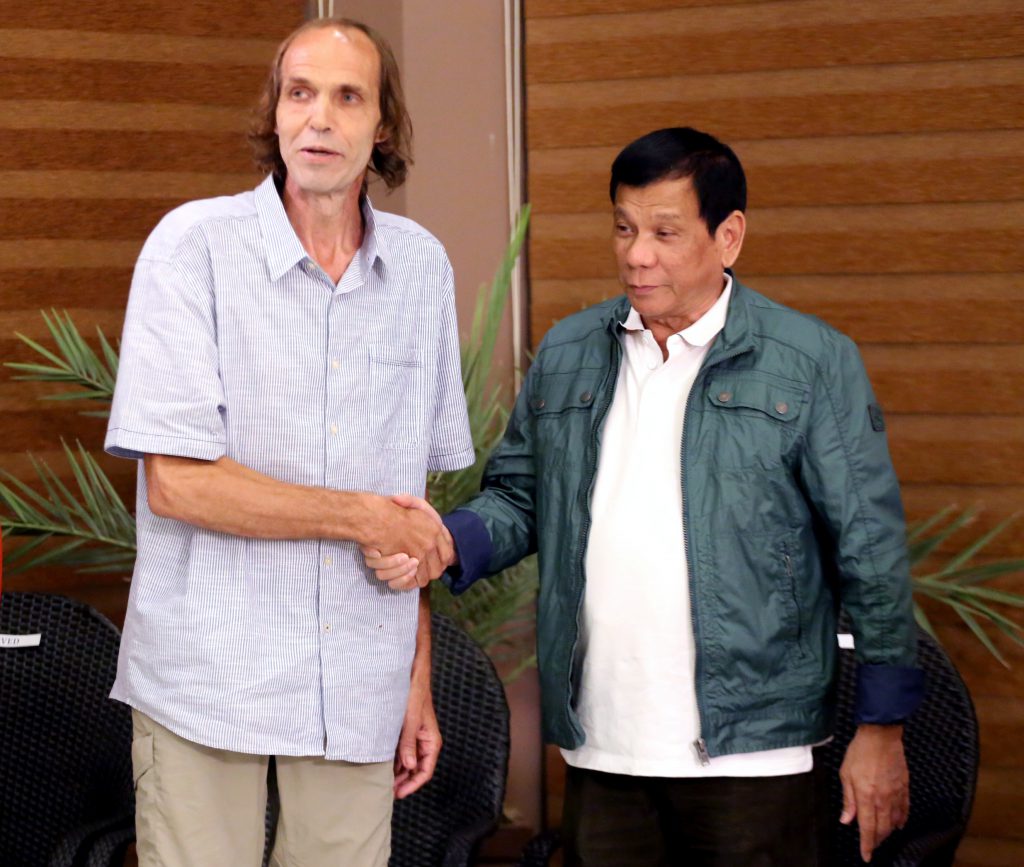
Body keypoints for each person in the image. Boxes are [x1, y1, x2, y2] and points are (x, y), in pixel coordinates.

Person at [364, 127, 925, 866]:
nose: (636, 254)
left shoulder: (809, 363)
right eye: (624, 228)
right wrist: (444, 540)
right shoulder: (569, 353)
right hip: (604, 743)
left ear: (729, 236)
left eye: (664, 232)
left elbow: (871, 550)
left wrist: (882, 728)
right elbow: (520, 497)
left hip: (750, 755)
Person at [104, 17, 473, 867]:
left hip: (357, 687)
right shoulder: (191, 248)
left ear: (382, 125)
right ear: (274, 113)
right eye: (300, 93)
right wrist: (361, 518)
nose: (319, 118)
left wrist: (415, 678)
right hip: (206, 679)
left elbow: (409, 509)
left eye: (349, 97)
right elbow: (180, 485)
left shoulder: (420, 268)